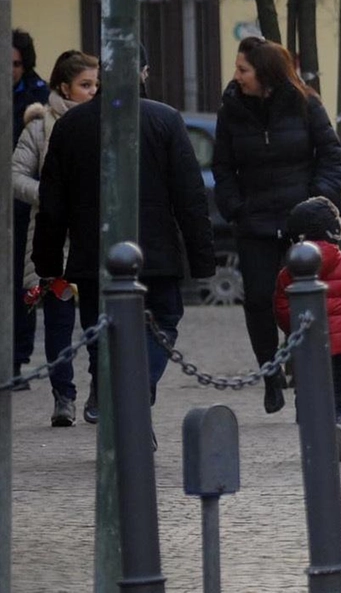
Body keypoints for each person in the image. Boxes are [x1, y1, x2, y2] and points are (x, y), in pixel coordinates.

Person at [32, 47, 215, 423]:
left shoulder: (72, 125)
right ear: (143, 73)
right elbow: (190, 196)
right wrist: (201, 259)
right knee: (161, 322)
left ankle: (114, 392)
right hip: (156, 256)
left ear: (102, 76)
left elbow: (53, 203)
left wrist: (48, 261)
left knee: (101, 331)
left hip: (92, 256)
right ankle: (137, 389)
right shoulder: (165, 120)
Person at [213, 37, 341, 415]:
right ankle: (270, 374)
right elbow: (222, 166)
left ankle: (304, 374)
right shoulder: (232, 109)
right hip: (254, 222)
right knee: (257, 299)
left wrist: (313, 202)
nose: (236, 77)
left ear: (265, 73)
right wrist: (235, 206)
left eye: (243, 70)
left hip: (300, 224)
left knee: (303, 302)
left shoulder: (306, 104)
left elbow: (332, 159)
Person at [11, 50, 98, 424]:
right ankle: (63, 396)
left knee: (100, 318)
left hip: (94, 235)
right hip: (53, 235)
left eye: (96, 84)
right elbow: (15, 176)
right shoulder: (39, 127)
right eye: (85, 85)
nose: (93, 91)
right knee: (59, 320)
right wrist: (50, 196)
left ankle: (100, 389)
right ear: (64, 87)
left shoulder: (103, 123)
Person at [273, 196, 341, 462]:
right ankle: (340, 423)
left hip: (307, 348)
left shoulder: (288, 273)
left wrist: (293, 330)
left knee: (308, 394)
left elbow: (283, 311)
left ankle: (316, 440)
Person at [11, 29, 50, 381]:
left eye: (16, 64)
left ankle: (18, 355)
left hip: (25, 207)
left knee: (25, 283)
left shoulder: (39, 98)